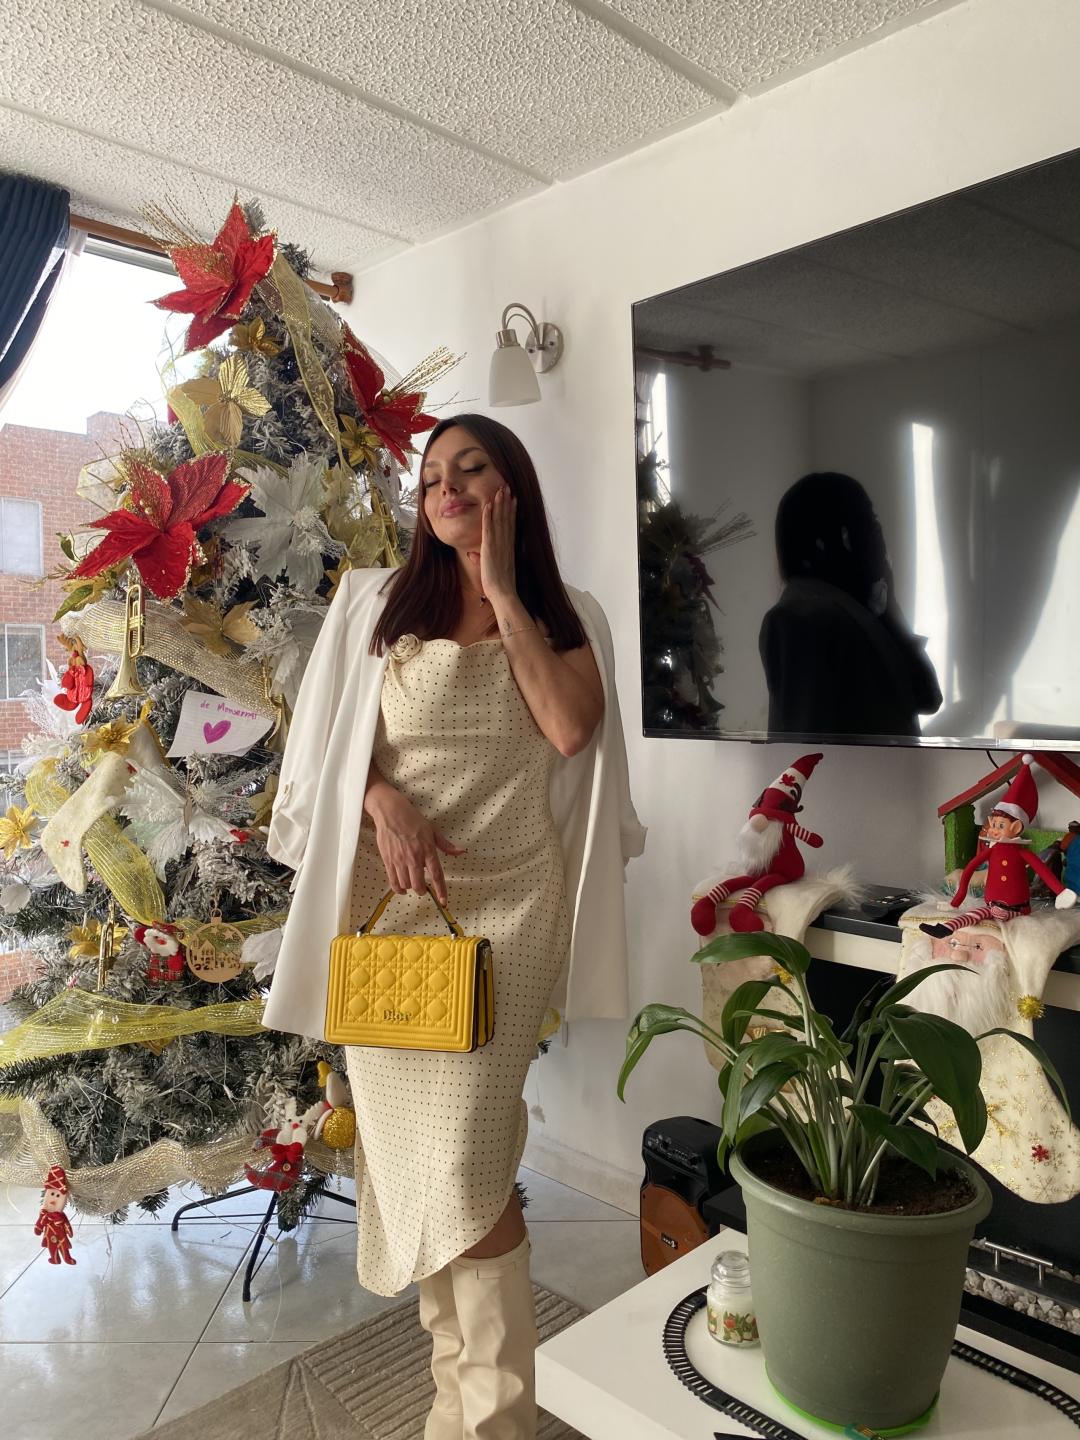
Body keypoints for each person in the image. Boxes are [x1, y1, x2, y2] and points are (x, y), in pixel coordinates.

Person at [262, 414, 646, 1439]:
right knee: (419, 1163)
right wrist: (380, 799)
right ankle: (456, 1405)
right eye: (432, 475)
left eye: (472, 469)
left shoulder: (566, 615)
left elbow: (570, 727)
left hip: (512, 912)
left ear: (512, 489)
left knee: (468, 1167)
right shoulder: (376, 604)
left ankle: (493, 1422)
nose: (448, 488)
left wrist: (507, 593)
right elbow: (324, 751)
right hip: (394, 917)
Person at [759, 472, 941, 737]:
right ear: (838, 536)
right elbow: (806, 740)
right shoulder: (800, 617)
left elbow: (927, 698)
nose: (879, 535)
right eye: (870, 521)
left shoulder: (853, 612)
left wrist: (888, 608)